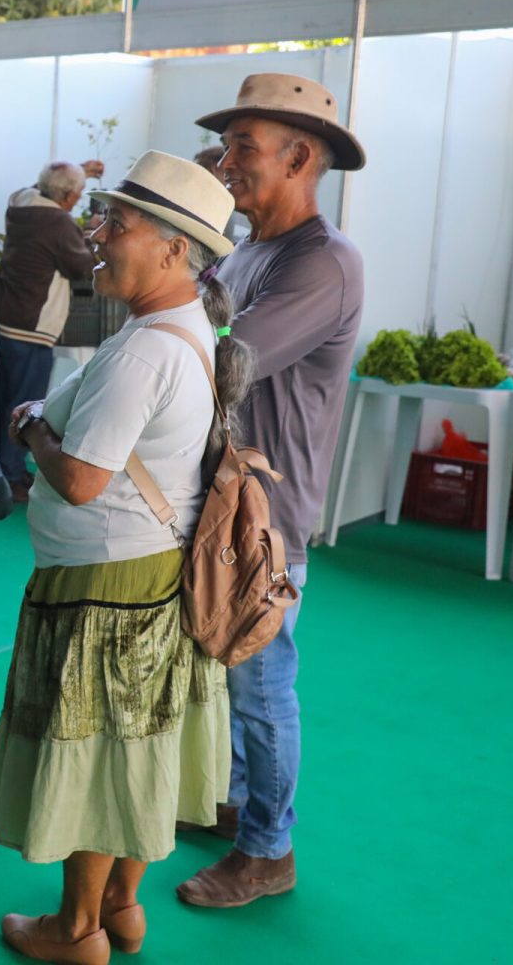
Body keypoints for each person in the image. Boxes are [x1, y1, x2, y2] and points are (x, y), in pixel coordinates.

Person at [0, 151, 244, 963]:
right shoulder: (187, 328)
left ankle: (76, 929)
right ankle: (123, 909)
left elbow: (82, 480)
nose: (97, 236)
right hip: (157, 573)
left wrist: (29, 428)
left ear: (174, 248)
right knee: (140, 744)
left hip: (105, 584)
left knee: (95, 755)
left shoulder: (141, 351)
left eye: (116, 224)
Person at [175, 73, 368, 909]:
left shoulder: (325, 263)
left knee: (259, 679)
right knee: (231, 671)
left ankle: (268, 848)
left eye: (241, 148)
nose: (225, 162)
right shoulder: (248, 250)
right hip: (227, 500)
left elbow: (224, 359)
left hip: (268, 516)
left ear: (300, 157)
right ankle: (235, 805)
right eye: (226, 146)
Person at [0, 161, 101, 502]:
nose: (79, 200)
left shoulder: (20, 202)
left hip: (5, 318)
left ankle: (2, 469)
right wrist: (95, 234)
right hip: (33, 327)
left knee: (4, 400)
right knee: (24, 406)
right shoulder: (58, 222)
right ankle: (11, 479)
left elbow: (40, 201)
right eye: (78, 194)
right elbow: (81, 267)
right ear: (67, 196)